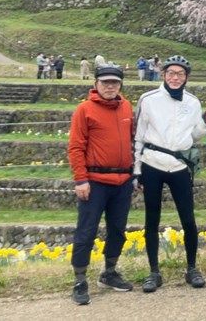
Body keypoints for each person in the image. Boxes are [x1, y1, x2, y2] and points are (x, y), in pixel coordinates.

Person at [134, 55, 206, 292]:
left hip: (179, 165)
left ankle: (192, 268)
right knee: (152, 219)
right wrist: (137, 170)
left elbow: (195, 135)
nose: (175, 78)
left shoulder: (193, 102)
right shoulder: (148, 100)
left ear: (186, 77)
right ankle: (153, 272)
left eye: (180, 74)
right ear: (164, 74)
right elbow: (138, 136)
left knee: (188, 219)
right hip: (153, 163)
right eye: (171, 73)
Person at [67, 65, 135, 306]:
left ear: (120, 85)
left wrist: (134, 172)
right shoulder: (84, 110)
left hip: (123, 181)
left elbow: (132, 140)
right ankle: (79, 280)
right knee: (86, 231)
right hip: (94, 182)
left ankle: (109, 272)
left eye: (114, 83)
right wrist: (80, 179)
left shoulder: (126, 106)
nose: (110, 86)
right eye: (105, 82)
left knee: (118, 229)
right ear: (96, 83)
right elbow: (76, 147)